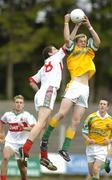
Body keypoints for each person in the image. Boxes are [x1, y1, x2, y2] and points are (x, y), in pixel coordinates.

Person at [39, 13, 101, 167]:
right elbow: (67, 40)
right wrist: (71, 24)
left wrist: (89, 27)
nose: (84, 42)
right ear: (77, 41)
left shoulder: (89, 51)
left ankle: (64, 149)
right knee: (61, 114)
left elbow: (98, 42)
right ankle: (45, 138)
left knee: (76, 121)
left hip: (85, 89)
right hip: (74, 85)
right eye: (82, 40)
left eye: (85, 40)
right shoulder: (72, 49)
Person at [19, 14, 75, 171]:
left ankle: (43, 157)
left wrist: (39, 92)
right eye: (54, 49)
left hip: (43, 93)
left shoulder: (44, 66)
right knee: (41, 123)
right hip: (48, 92)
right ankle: (24, 150)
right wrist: (68, 22)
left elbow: (31, 80)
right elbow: (67, 41)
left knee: (44, 125)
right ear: (51, 53)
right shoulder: (56, 58)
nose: (57, 49)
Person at [0, 95, 36, 180]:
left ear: (23, 104)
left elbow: (35, 128)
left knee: (22, 170)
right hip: (10, 143)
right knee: (5, 158)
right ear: (14, 104)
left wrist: (24, 128)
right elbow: (1, 122)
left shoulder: (27, 116)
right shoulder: (8, 115)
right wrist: (1, 133)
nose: (18, 104)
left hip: (22, 145)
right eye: (17, 102)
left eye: (21, 102)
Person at [82, 99, 112, 180]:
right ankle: (105, 164)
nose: (102, 105)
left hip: (102, 148)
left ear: (107, 107)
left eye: (104, 104)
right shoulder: (91, 117)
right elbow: (84, 132)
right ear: (98, 106)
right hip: (90, 147)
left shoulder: (110, 120)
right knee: (92, 173)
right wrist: (88, 139)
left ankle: (103, 164)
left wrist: (109, 140)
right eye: (101, 104)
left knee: (96, 169)